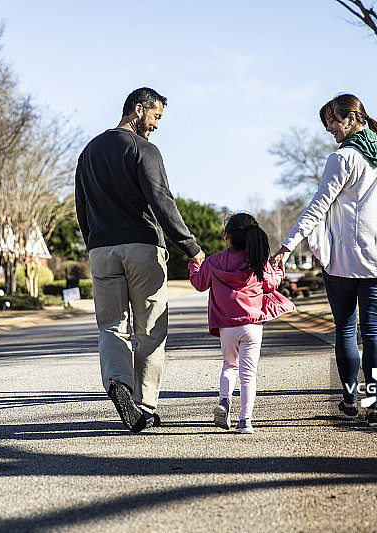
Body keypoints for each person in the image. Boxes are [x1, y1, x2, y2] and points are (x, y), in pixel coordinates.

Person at [272, 94, 377, 427]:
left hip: (344, 260)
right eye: (327, 124)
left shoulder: (343, 158)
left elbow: (318, 206)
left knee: (347, 329)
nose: (330, 129)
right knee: (374, 330)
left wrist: (286, 246)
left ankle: (351, 400)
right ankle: (376, 405)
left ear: (352, 118)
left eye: (333, 121)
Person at [75, 87, 205, 433]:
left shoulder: (88, 152)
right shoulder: (143, 150)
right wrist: (191, 247)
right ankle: (144, 405)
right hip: (142, 248)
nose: (157, 125)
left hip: (102, 251)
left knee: (111, 326)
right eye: (156, 116)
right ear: (138, 109)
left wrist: (95, 245)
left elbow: (81, 209)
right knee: (149, 328)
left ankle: (119, 384)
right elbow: (162, 201)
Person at [189, 213, 295, 434]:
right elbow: (272, 284)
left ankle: (224, 402)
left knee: (229, 366)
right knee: (248, 374)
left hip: (226, 327)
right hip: (252, 327)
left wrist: (194, 264)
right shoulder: (258, 262)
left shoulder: (213, 261)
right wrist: (278, 267)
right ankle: (245, 421)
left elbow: (199, 284)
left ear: (227, 236)